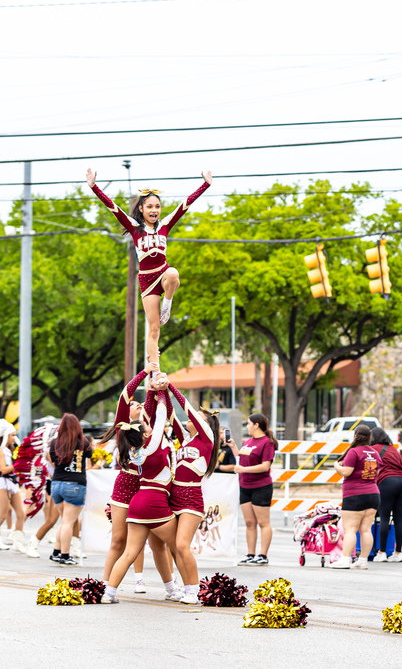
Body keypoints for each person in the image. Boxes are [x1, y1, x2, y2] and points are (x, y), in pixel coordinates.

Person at [86, 168, 212, 368]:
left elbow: (185, 204)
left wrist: (205, 184)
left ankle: (167, 305)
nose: (154, 210)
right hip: (146, 281)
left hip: (163, 274)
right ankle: (154, 371)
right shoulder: (134, 227)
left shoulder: (165, 225)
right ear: (142, 209)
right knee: (154, 330)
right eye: (150, 207)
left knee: (174, 274)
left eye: (158, 207)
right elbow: (113, 207)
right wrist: (94, 187)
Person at [98, 364, 180, 599]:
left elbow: (157, 404)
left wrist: (158, 386)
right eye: (135, 404)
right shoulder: (123, 425)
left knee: (158, 544)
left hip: (148, 490)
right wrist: (145, 372)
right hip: (126, 487)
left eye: (140, 403)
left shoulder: (147, 425)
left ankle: (171, 588)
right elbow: (125, 395)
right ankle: (104, 586)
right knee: (119, 540)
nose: (138, 405)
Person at [166, 382, 220, 604]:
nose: (190, 418)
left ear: (204, 424)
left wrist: (170, 386)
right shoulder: (185, 439)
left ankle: (193, 590)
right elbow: (170, 416)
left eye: (196, 417)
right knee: (172, 548)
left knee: (181, 545)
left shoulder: (206, 438)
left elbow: (185, 408)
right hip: (173, 497)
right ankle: (182, 586)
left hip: (191, 499)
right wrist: (160, 391)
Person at [47, 414, 97, 566]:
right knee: (69, 522)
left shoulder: (55, 443)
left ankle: (56, 552)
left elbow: (52, 459)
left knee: (65, 521)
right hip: (75, 484)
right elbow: (91, 456)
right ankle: (65, 555)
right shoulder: (83, 443)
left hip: (56, 484)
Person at [330, 425, 381, 570]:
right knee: (366, 529)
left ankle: (346, 560)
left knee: (350, 529)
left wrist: (336, 466)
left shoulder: (353, 452)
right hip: (373, 494)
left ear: (355, 436)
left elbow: (347, 472)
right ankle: (363, 560)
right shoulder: (375, 453)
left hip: (355, 495)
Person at [231, 413, 277, 566]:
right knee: (249, 522)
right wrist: (233, 447)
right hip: (245, 486)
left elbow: (265, 466)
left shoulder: (267, 442)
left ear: (257, 425)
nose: (247, 426)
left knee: (263, 522)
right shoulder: (249, 441)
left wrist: (243, 470)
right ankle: (251, 554)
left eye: (249, 423)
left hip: (261, 487)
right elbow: (242, 458)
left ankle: (263, 555)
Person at [369, 426, 402, 563]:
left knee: (384, 517)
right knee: (398, 519)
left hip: (387, 482)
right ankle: (398, 553)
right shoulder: (394, 449)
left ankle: (382, 553)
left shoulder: (374, 449)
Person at [0, 420, 26, 553]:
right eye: (12, 435)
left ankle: (18, 541)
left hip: (12, 483)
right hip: (3, 482)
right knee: (2, 514)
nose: (14, 438)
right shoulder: (1, 450)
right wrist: (18, 464)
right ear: (5, 435)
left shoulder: (13, 449)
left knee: (21, 513)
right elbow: (3, 469)